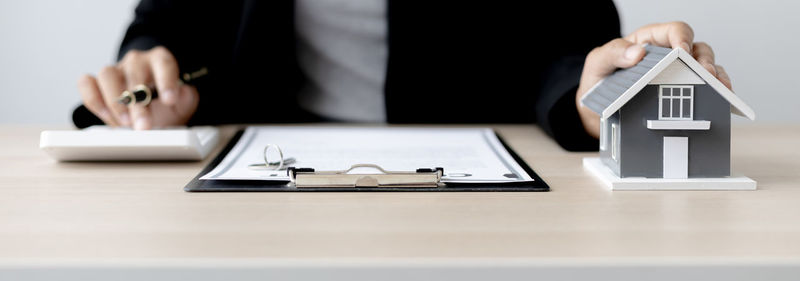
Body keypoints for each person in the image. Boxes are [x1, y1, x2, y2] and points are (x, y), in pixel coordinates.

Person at [74, 1, 732, 151]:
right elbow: (167, 26)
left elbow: (566, 46)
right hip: (266, 173)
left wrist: (597, 96)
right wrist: (153, 77)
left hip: (487, 186)